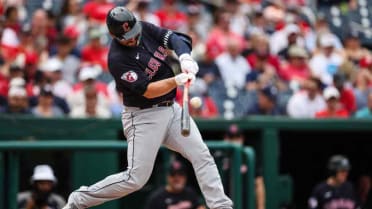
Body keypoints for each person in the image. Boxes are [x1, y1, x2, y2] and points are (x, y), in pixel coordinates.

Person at [62, 6, 233, 209]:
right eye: (126, 36)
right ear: (113, 35)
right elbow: (148, 91)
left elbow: (175, 38)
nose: (133, 38)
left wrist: (185, 57)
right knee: (135, 179)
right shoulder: (118, 59)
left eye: (133, 32)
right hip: (144, 117)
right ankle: (79, 200)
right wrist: (176, 79)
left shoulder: (142, 28)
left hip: (171, 110)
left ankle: (221, 206)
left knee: (202, 155)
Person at [223, 124, 266, 209]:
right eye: (231, 138)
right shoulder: (219, 156)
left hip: (244, 204)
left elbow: (259, 183)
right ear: (225, 138)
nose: (234, 141)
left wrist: (261, 207)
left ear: (242, 139)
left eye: (237, 138)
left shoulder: (248, 156)